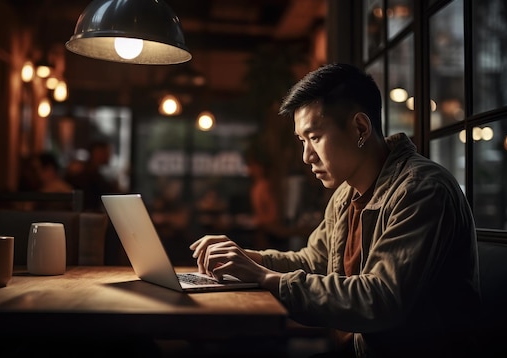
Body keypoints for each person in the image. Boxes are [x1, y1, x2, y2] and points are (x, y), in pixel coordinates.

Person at [190, 63, 481, 357]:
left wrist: (264, 277)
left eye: (314, 138)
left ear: (360, 128)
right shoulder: (345, 194)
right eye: (302, 141)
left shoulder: (421, 189)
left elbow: (379, 299)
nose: (306, 156)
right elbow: (314, 261)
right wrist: (244, 259)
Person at [66, 140, 122, 212]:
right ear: (97, 153)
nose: (109, 155)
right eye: (106, 152)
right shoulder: (81, 171)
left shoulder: (97, 173)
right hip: (83, 214)